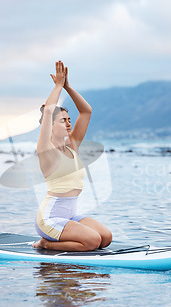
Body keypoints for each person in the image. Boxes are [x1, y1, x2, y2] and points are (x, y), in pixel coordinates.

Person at [33, 61, 112, 251]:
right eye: (63, 121)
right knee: (92, 241)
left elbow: (86, 111)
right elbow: (49, 111)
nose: (69, 124)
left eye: (69, 120)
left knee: (105, 238)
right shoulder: (46, 152)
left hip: (69, 216)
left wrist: (68, 86)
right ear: (50, 126)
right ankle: (46, 243)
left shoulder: (72, 147)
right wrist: (58, 86)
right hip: (49, 218)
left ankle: (56, 241)